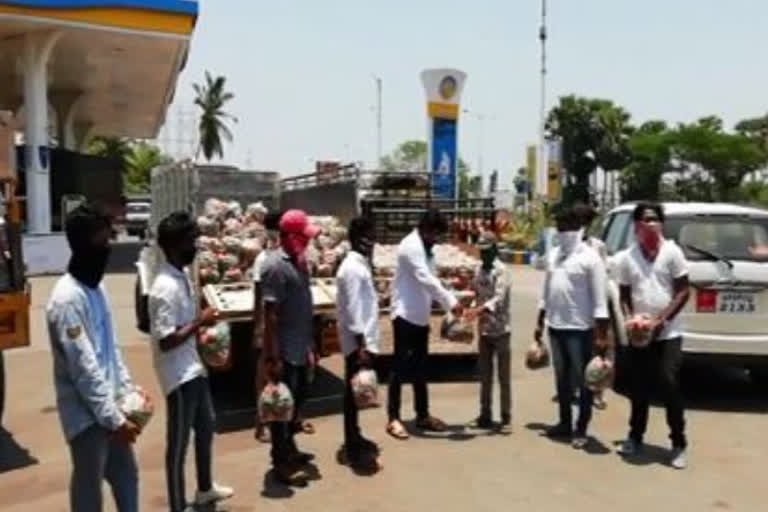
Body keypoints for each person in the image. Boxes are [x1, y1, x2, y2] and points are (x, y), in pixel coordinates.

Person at [46, 203, 140, 512]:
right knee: (89, 490)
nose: (108, 247)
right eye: (102, 242)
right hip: (87, 417)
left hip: (111, 409)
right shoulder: (67, 300)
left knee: (127, 476)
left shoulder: (97, 288)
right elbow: (83, 368)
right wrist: (112, 418)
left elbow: (110, 350)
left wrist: (128, 394)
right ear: (84, 246)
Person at [148, 212, 233, 512]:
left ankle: (205, 489)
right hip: (178, 376)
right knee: (178, 445)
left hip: (193, 367)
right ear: (173, 245)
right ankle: (176, 505)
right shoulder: (163, 287)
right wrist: (200, 322)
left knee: (207, 428)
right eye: (189, 241)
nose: (194, 246)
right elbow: (166, 339)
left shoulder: (180, 275)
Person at [616, 202, 691, 470]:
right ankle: (635, 436)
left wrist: (662, 320)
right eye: (646, 220)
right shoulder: (628, 257)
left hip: (668, 332)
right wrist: (630, 318)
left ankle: (678, 443)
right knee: (639, 387)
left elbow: (683, 291)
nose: (652, 224)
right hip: (639, 333)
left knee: (669, 383)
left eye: (656, 219)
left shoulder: (672, 253)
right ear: (636, 225)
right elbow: (624, 294)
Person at [534, 203, 610, 449]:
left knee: (584, 379)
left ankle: (581, 428)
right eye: (559, 226)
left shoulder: (591, 258)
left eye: (565, 227)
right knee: (562, 379)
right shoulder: (555, 255)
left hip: (581, 329)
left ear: (577, 229)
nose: (561, 231)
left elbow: (600, 302)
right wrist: (539, 321)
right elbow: (546, 290)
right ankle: (564, 422)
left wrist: (601, 335)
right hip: (555, 327)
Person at [386, 208, 463, 440]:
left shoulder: (427, 249)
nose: (436, 240)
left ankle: (422, 415)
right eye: (435, 235)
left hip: (420, 316)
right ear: (426, 229)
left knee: (421, 369)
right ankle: (393, 418)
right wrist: (450, 301)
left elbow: (432, 280)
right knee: (399, 369)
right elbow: (424, 278)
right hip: (405, 316)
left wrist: (445, 298)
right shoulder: (410, 246)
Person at [261, 209, 320, 484]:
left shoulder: (300, 261)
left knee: (296, 403)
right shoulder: (275, 266)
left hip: (302, 344)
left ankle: (291, 448)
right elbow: (270, 314)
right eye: (304, 237)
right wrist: (273, 357)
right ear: (290, 236)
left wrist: (311, 344)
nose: (308, 242)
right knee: (281, 408)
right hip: (284, 349)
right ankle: (279, 460)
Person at [335, 216, 382, 469]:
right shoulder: (352, 268)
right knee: (352, 394)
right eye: (369, 236)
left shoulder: (360, 264)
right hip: (357, 343)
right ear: (357, 239)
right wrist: (362, 344)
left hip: (361, 340)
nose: (372, 241)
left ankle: (354, 436)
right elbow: (353, 309)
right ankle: (352, 446)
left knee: (355, 392)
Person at [467, 231, 512, 432]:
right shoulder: (478, 270)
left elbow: (499, 298)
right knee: (485, 376)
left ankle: (505, 417)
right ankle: (485, 414)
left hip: (501, 329)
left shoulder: (502, 271)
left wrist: (480, 309)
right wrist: (467, 305)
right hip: (484, 330)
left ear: (494, 249)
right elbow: (476, 292)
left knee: (503, 377)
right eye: (481, 251)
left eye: (487, 251)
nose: (483, 255)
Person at [573, 201, 609, 410]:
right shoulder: (566, 248)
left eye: (587, 222)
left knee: (599, 349)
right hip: (575, 309)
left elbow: (604, 276)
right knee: (577, 353)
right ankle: (578, 389)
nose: (583, 226)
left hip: (595, 307)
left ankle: (597, 392)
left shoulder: (598, 247)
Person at [252, 210, 283, 443]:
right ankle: (261, 424)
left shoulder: (283, 255)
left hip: (282, 324)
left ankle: (279, 418)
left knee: (278, 374)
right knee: (264, 374)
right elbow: (258, 296)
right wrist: (259, 328)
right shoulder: (263, 259)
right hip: (268, 324)